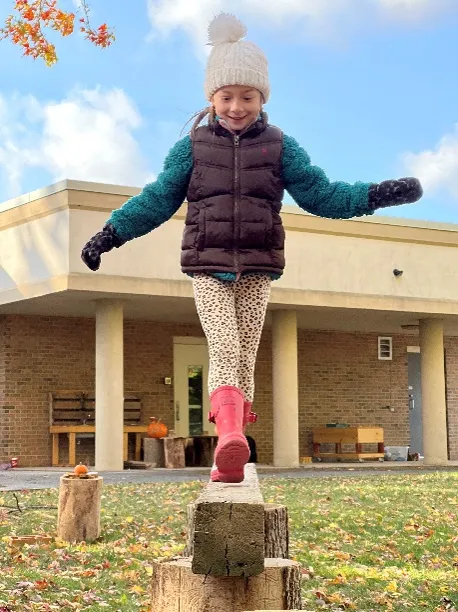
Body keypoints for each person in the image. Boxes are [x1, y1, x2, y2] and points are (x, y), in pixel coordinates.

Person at [81, 13, 422, 483]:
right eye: (227, 97)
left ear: (263, 97)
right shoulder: (193, 148)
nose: (237, 107)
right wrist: (111, 233)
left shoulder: (281, 147)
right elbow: (158, 198)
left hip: (258, 266)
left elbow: (323, 196)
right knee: (223, 344)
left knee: (245, 356)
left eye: (247, 96)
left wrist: (379, 193)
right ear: (211, 97)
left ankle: (232, 451)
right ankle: (230, 439)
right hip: (207, 262)